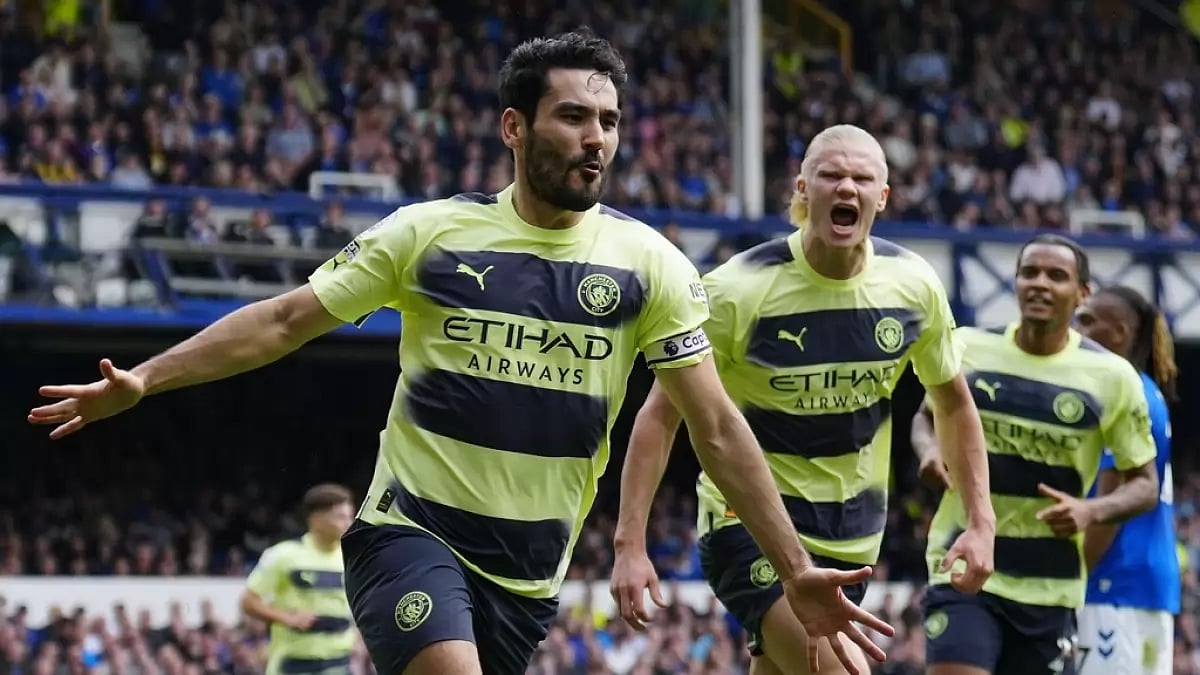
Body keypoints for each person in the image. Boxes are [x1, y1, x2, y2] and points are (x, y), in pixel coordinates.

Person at [28, 30, 892, 675]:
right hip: (411, 532)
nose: (596, 137)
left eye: (609, 121)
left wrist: (796, 568)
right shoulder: (429, 235)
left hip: (528, 577)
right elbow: (284, 321)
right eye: (573, 117)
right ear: (515, 126)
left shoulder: (650, 264)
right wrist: (146, 379)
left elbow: (717, 425)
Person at [609, 124, 994, 675]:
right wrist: (629, 542)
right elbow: (660, 416)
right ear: (802, 188)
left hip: (852, 543)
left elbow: (953, 403)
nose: (847, 187)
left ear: (883, 196)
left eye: (862, 178)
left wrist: (981, 521)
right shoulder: (737, 289)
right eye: (831, 175)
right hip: (749, 529)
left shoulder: (913, 285)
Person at [912, 234, 1160, 675]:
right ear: (1016, 283)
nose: (1040, 283)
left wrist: (1091, 510)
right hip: (964, 563)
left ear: (1082, 293)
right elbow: (925, 417)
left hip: (1051, 586)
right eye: (1029, 273)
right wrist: (929, 449)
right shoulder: (967, 347)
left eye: (1056, 276)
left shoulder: (1113, 378)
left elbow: (1144, 484)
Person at [1074, 285, 1180, 675]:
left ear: (1119, 332)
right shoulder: (1144, 390)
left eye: (1087, 320)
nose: (1076, 328)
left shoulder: (1124, 393)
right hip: (1138, 587)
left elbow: (1111, 505)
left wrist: (1070, 580)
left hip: (1114, 584)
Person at [241, 484, 358, 675]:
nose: (348, 523)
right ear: (316, 519)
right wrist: (287, 618)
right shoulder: (283, 555)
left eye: (350, 516)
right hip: (294, 665)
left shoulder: (352, 558)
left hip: (340, 664)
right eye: (340, 517)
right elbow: (248, 602)